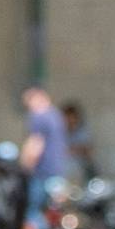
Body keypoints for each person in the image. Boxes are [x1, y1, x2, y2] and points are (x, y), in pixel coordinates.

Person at [19, 83, 71, 218]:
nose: (28, 107)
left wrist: (24, 168)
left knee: (32, 211)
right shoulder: (55, 115)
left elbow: (35, 145)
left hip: (41, 173)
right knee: (56, 211)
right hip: (57, 171)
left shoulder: (39, 116)